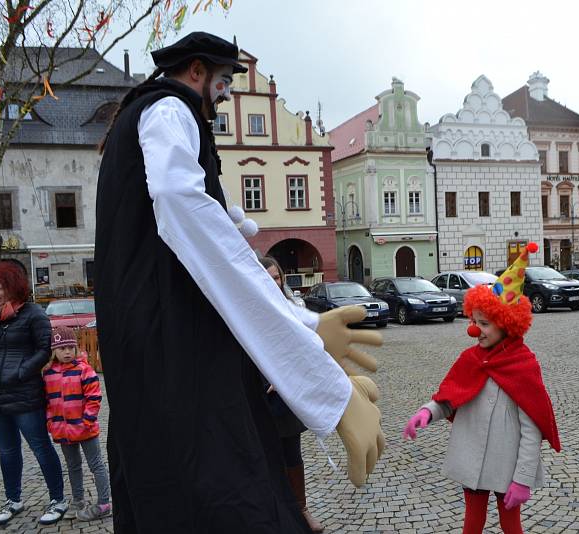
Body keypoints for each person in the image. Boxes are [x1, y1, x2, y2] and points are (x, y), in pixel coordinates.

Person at [95, 32, 384, 533]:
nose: (227, 93)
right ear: (196, 71)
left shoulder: (150, 118)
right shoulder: (169, 111)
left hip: (158, 350)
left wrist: (305, 323)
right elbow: (194, 221)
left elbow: (214, 218)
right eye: (224, 80)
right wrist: (320, 372)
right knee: (226, 487)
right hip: (175, 347)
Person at [402, 243, 561, 534]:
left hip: (506, 465)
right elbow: (452, 397)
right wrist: (427, 412)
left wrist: (523, 479)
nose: (474, 330)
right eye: (474, 322)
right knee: (472, 521)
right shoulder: (470, 359)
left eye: (484, 324)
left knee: (511, 523)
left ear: (507, 324)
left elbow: (532, 429)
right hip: (472, 459)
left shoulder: (523, 365)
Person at [0, 261, 68, 526]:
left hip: (25, 394)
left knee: (40, 447)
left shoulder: (33, 314)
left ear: (13, 287)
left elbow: (43, 349)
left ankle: (58, 499)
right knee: (7, 452)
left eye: (0, 288)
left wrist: (21, 371)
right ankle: (13, 500)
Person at [259, 256, 323, 532]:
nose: (274, 282)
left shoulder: (292, 307)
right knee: (264, 456)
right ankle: (270, 512)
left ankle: (301, 509)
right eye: (269, 277)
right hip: (259, 395)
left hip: (285, 397)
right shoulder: (249, 308)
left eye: (277, 277)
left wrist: (287, 374)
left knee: (291, 454)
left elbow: (304, 348)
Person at [43, 326, 111, 521]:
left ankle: (104, 502)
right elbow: (48, 402)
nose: (67, 352)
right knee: (73, 466)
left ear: (75, 348)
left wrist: (87, 420)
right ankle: (78, 501)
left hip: (85, 429)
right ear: (54, 351)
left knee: (96, 464)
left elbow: (94, 397)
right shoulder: (48, 374)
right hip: (63, 431)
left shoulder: (84, 370)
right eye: (62, 348)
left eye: (70, 348)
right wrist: (51, 423)